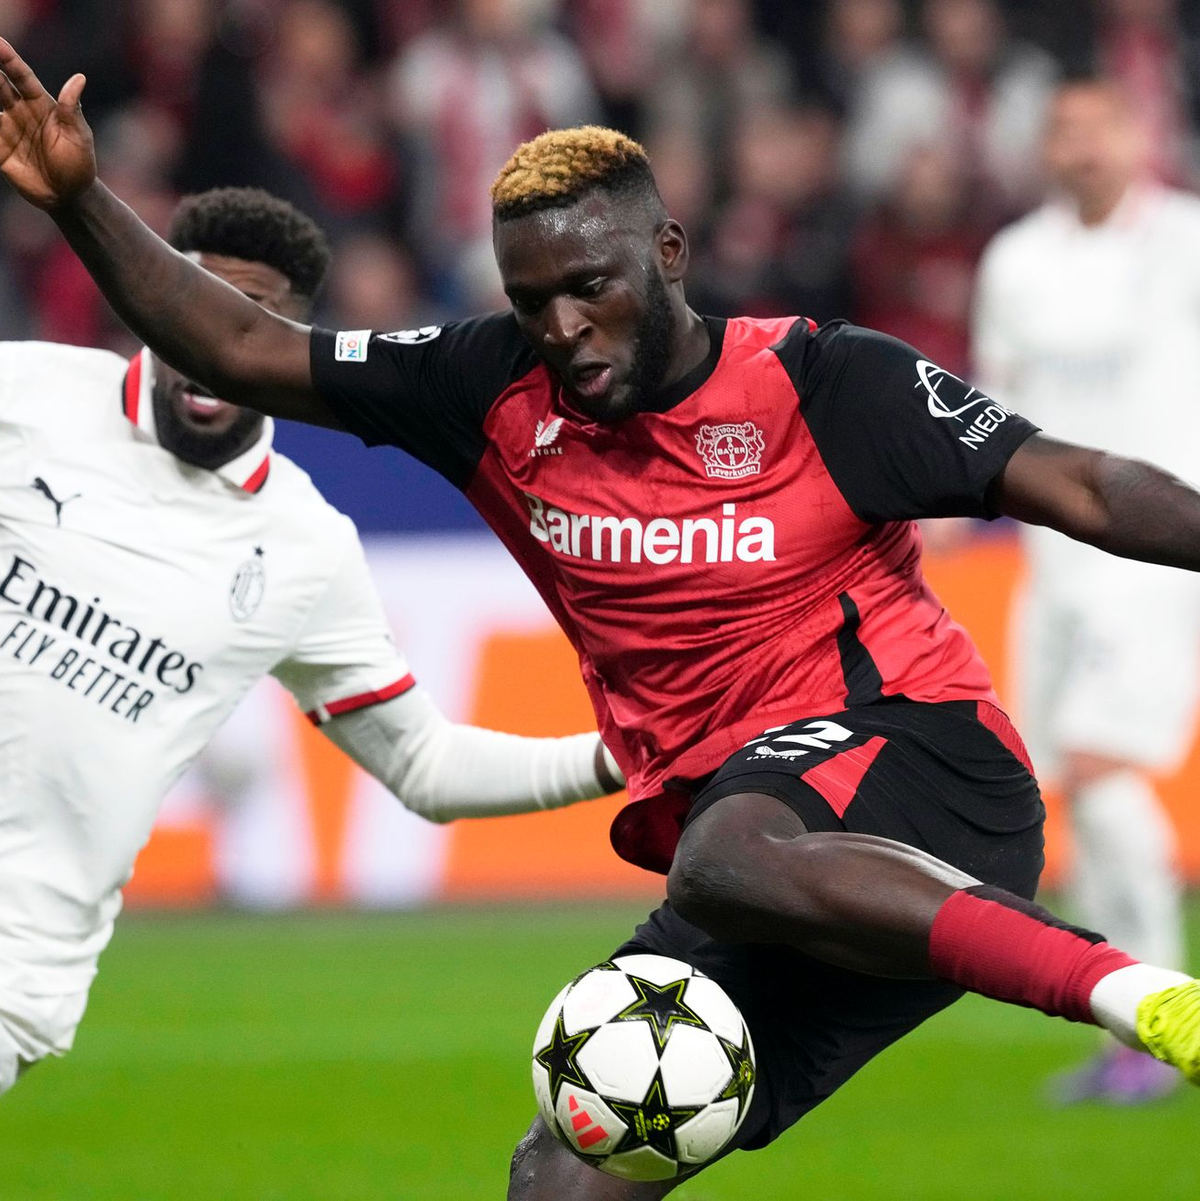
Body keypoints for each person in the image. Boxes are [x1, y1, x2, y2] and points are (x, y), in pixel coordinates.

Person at [2, 43, 1200, 1193]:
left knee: (726, 853)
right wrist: (81, 199)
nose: (563, 331)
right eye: (531, 302)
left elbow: (1085, 484)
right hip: (767, 859)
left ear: (668, 250)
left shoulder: (827, 384)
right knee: (568, 1158)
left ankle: (1136, 994)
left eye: (591, 288)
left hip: (923, 769)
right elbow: (240, 343)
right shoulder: (484, 387)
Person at [0, 181, 624, 1095]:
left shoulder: (304, 546)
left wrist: (624, 757)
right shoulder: (28, 396)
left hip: (20, 962)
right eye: (192, 297)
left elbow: (429, 767)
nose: (205, 347)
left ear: (287, 340)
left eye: (249, 317)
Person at [973, 79, 1200, 1104]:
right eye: (1061, 130)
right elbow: (991, 409)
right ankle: (1129, 1028)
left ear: (1138, 132)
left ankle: (1171, 1014)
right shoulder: (1016, 261)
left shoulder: (1187, 240)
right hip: (1053, 563)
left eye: (1098, 125)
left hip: (1156, 556)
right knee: (1064, 783)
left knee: (1106, 769)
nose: (1080, 146)